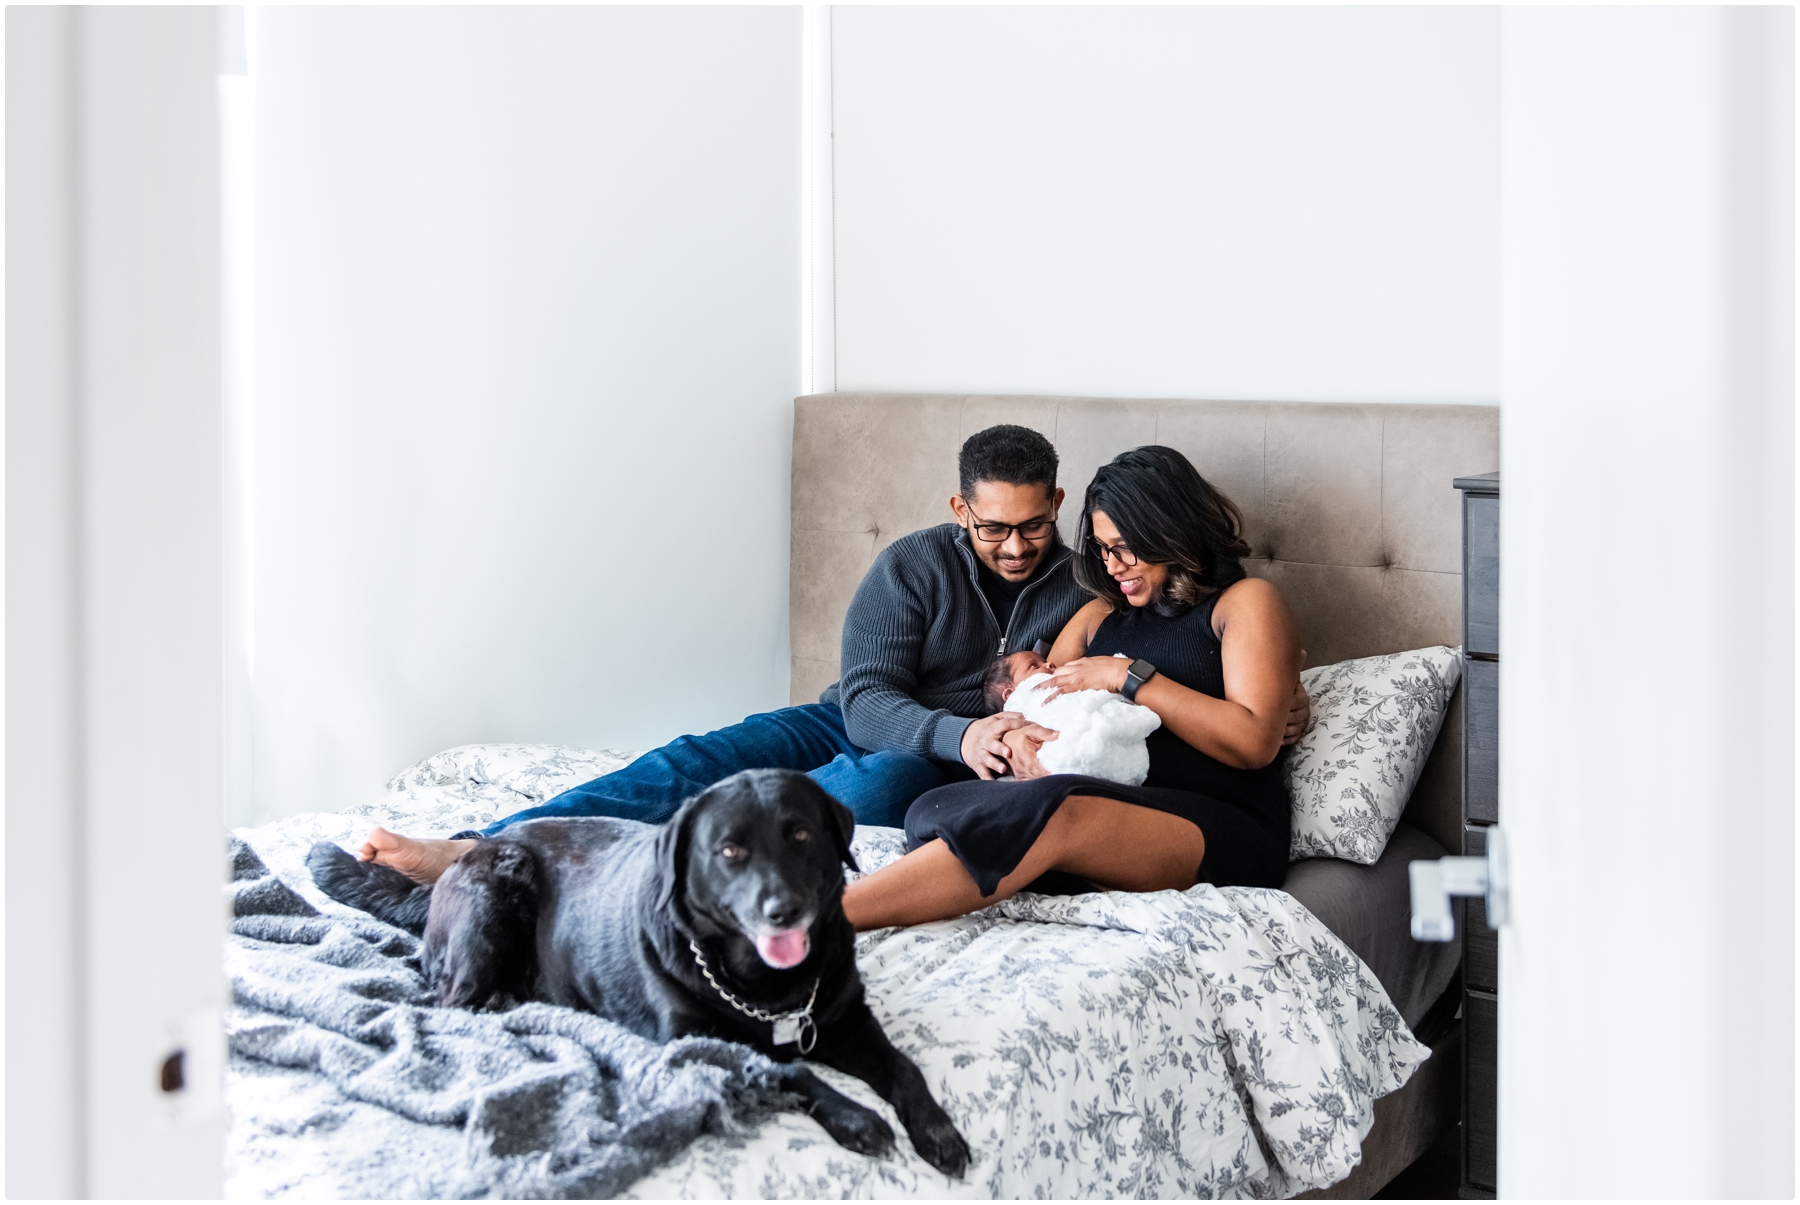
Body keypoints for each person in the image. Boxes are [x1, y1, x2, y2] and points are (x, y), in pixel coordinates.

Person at [358, 425, 1097, 883]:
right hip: (849, 720)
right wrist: (959, 727)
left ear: (1057, 502)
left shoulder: (1080, 588)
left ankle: (646, 858)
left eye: (1032, 525)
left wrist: (985, 739)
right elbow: (869, 697)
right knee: (691, 759)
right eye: (993, 528)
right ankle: (480, 853)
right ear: (959, 509)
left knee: (872, 794)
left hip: (943, 765)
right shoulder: (911, 565)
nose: (1015, 546)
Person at [842, 445, 1300, 931]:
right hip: (1100, 802)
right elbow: (1036, 704)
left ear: (1173, 531)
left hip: (1215, 821)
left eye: (1125, 546)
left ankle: (827, 923)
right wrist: (1020, 746)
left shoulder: (1246, 602)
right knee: (937, 804)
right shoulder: (1098, 615)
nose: (1113, 565)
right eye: (1103, 548)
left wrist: (1128, 677)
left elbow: (1254, 742)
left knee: (1058, 811)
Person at [978, 648, 1163, 786]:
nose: (1049, 664)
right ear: (1010, 695)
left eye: (1043, 660)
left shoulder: (1065, 676)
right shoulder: (1024, 698)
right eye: (1034, 666)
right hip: (1059, 760)